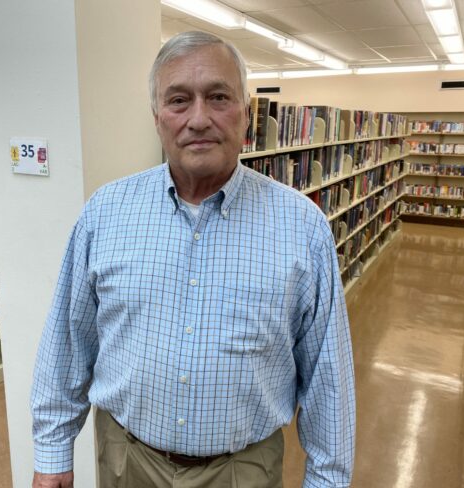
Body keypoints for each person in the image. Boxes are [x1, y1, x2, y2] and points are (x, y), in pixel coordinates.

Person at [31, 30, 355, 488]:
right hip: (127, 460)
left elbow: (328, 381)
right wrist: (52, 452)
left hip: (242, 471)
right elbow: (68, 341)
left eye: (218, 97)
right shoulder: (105, 212)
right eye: (179, 100)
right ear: (157, 117)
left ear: (246, 112)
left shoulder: (303, 228)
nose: (198, 119)